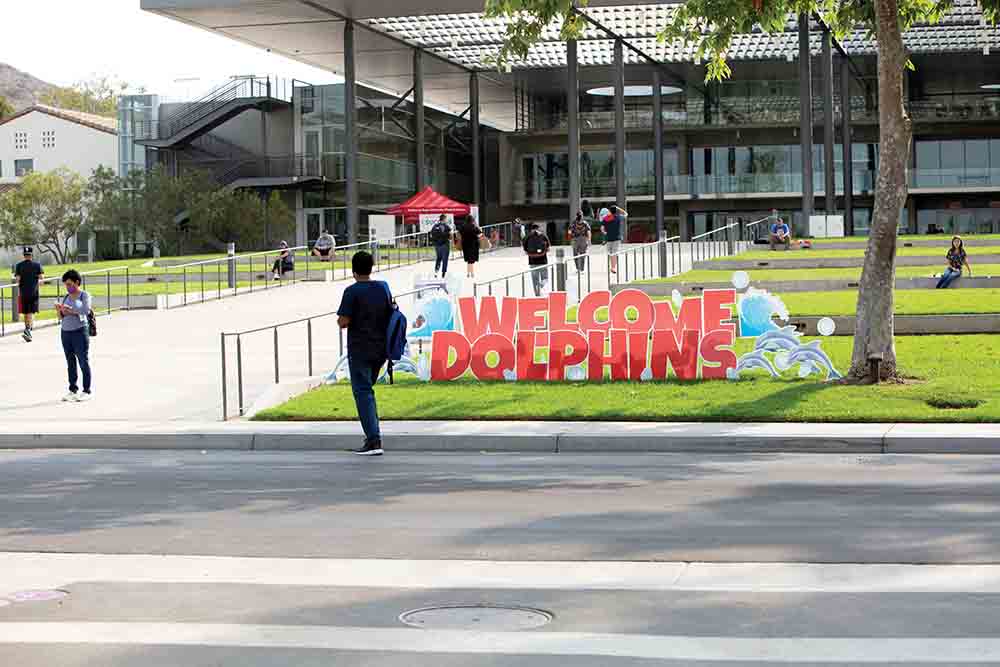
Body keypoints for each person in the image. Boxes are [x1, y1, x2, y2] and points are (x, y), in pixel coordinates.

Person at [337, 251, 393, 456]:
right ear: (372, 267)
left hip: (360, 349)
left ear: (353, 271)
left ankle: (373, 440)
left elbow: (343, 321)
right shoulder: (383, 287)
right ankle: (373, 434)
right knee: (368, 391)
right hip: (381, 349)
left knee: (363, 392)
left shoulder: (351, 291)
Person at [54, 269, 92, 402]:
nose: (68, 287)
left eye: (69, 284)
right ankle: (72, 389)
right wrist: (59, 310)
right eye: (66, 284)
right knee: (70, 362)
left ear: (77, 282)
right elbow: (61, 317)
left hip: (80, 332)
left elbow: (85, 310)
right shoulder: (66, 297)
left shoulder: (84, 295)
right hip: (66, 332)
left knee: (83, 360)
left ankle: (86, 390)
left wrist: (70, 311)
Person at [13, 246, 43, 343]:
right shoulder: (37, 265)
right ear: (31, 255)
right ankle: (28, 330)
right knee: (31, 312)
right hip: (33, 291)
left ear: (24, 255)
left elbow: (17, 279)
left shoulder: (19, 265)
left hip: (23, 292)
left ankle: (27, 329)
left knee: (26, 312)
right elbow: (41, 277)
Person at [522, 223, 551, 297]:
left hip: (532, 261)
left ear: (531, 229)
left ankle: (537, 294)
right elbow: (548, 248)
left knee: (535, 279)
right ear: (538, 228)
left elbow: (525, 250)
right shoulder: (543, 235)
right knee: (545, 278)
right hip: (543, 261)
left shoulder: (527, 237)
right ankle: (542, 285)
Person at [602, 205, 627, 274]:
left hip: (608, 238)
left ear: (609, 211)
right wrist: (619, 208)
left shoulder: (605, 218)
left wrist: (605, 232)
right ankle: (613, 267)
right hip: (616, 238)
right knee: (614, 253)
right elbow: (626, 214)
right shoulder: (618, 217)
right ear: (616, 211)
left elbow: (602, 229)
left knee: (611, 253)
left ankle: (613, 266)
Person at [429, 214, 452, 278]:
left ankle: (436, 271)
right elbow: (450, 236)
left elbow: (431, 235)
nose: (446, 220)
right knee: (445, 259)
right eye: (446, 219)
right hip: (445, 245)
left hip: (437, 245)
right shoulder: (446, 226)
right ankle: (443, 274)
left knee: (438, 258)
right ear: (444, 219)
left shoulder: (435, 226)